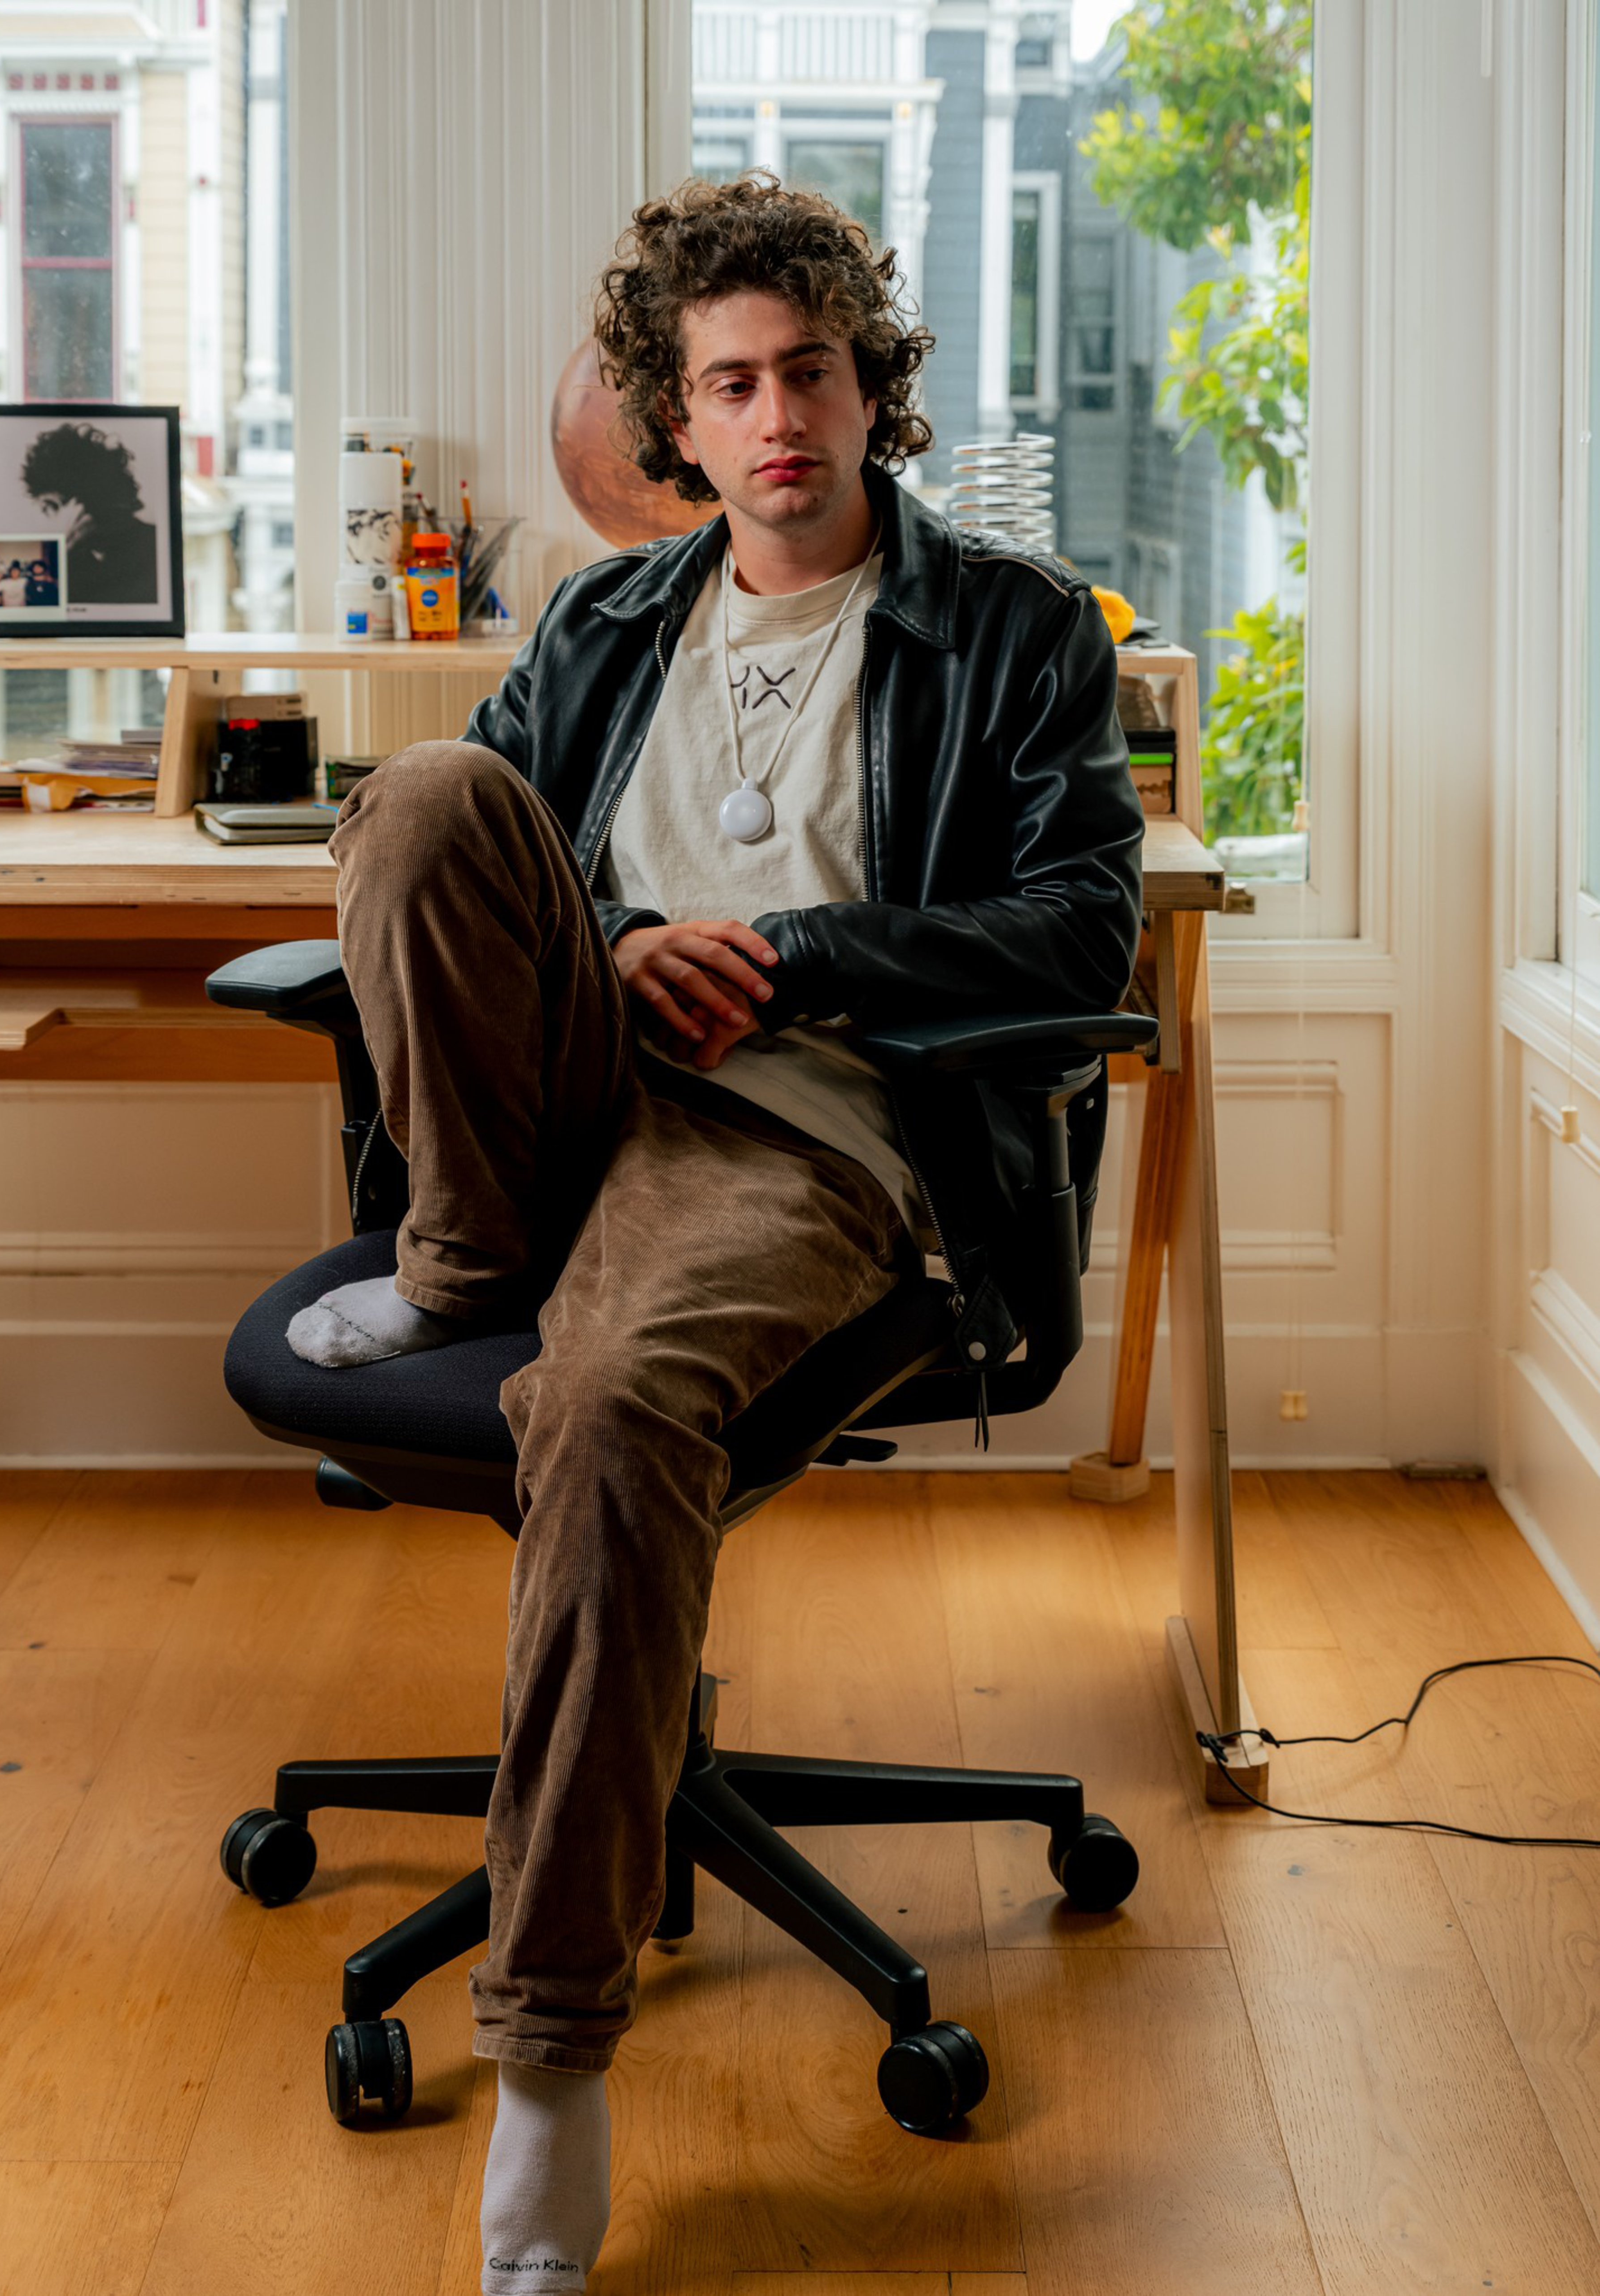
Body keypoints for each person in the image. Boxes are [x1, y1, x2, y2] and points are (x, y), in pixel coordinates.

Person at [287, 174, 1143, 2295]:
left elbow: (1083, 923)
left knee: (612, 1404)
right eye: (734, 384)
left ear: (875, 384)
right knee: (410, 798)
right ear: (680, 417)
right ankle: (469, 1255)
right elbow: (466, 877)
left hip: (804, 1128)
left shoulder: (1017, 629)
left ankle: (554, 2058)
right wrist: (619, 937)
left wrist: (786, 955)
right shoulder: (601, 622)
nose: (779, 418)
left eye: (813, 372)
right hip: (569, 1103)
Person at [19, 422, 157, 604]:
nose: (51, 521)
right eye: (46, 508)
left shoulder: (153, 549)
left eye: (51, 507)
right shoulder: (53, 560)